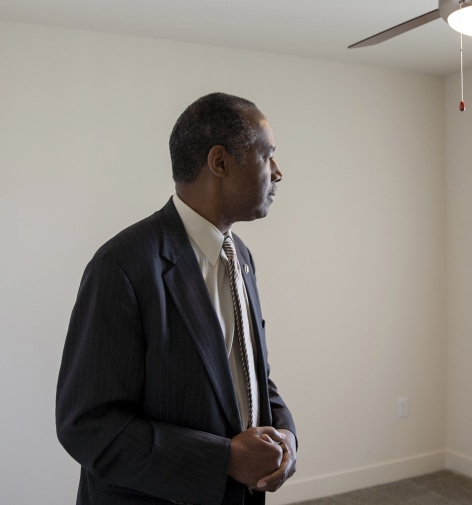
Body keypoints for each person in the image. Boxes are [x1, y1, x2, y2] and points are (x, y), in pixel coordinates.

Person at [56, 92, 296, 505]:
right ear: (219, 162)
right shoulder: (123, 265)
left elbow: (252, 373)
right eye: (266, 156)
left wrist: (285, 436)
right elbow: (88, 424)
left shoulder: (241, 256)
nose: (277, 172)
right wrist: (223, 460)